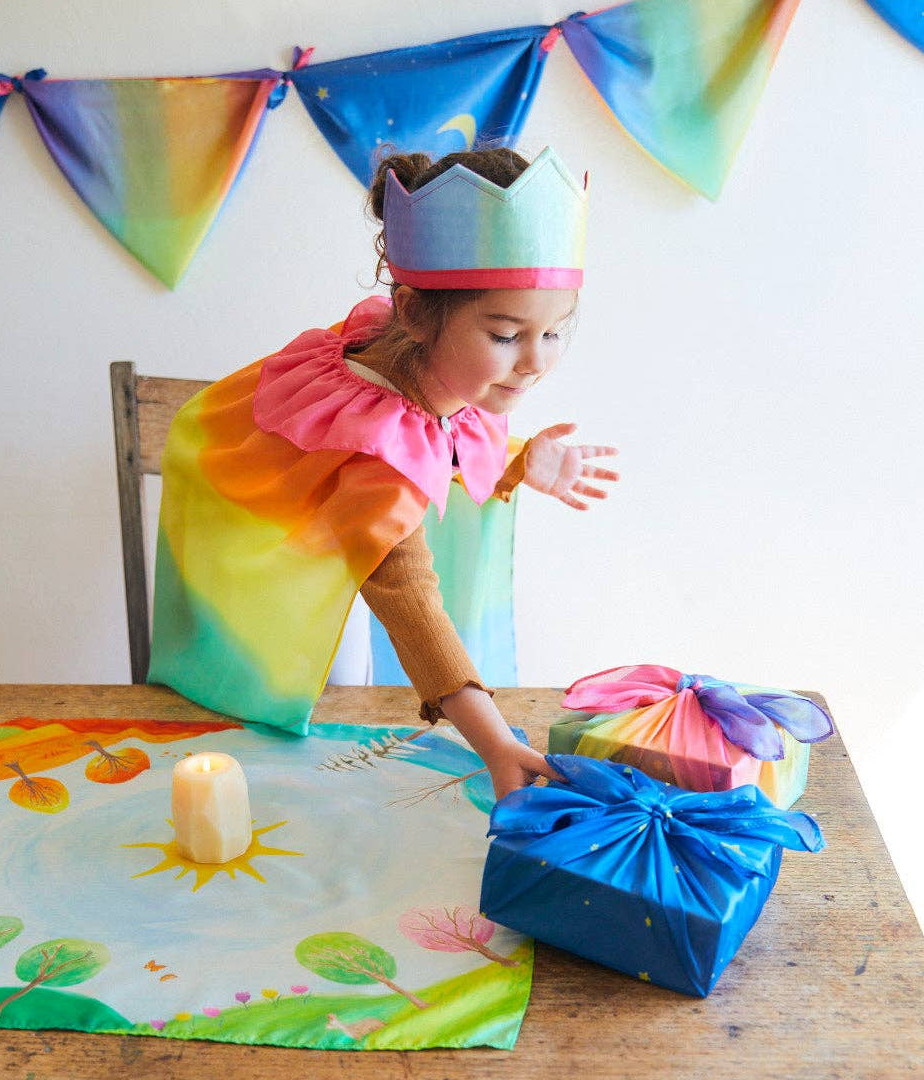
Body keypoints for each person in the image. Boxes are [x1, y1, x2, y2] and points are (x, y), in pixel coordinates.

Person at [148, 145, 618, 800]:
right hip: (263, 568)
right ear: (417, 311)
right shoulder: (379, 451)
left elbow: (443, 444)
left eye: (555, 331)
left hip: (319, 528)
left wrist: (518, 463)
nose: (536, 362)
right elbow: (407, 595)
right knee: (313, 705)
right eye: (508, 335)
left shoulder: (425, 362)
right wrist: (496, 744)